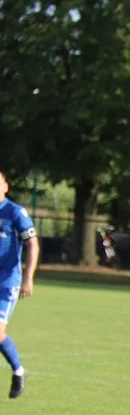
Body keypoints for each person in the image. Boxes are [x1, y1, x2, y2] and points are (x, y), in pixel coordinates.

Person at [0, 170, 39, 399]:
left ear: (6, 186)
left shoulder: (15, 212)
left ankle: (18, 371)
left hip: (6, 280)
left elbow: (32, 244)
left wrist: (28, 277)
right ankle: (20, 370)